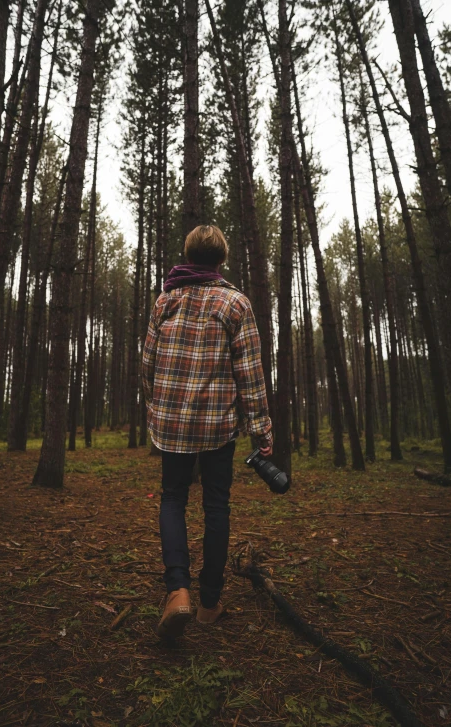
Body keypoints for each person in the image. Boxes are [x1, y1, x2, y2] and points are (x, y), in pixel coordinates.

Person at [142, 225, 272, 639]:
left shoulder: (166, 300)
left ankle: (177, 590)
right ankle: (209, 604)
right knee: (217, 506)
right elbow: (249, 373)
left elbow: (148, 363)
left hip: (172, 423)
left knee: (173, 498)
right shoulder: (235, 303)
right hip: (218, 424)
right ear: (221, 260)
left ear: (188, 255)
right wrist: (261, 429)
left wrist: (156, 404)